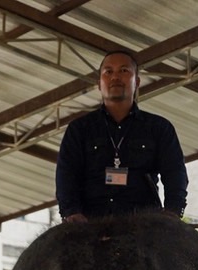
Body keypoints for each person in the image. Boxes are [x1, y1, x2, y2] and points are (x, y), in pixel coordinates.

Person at [56, 48, 188, 222]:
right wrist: (71, 212)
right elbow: (66, 174)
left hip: (144, 225)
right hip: (90, 224)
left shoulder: (159, 128)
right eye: (108, 72)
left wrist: (173, 211)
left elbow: (174, 172)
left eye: (124, 71)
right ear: (99, 82)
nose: (115, 77)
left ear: (137, 81)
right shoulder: (79, 129)